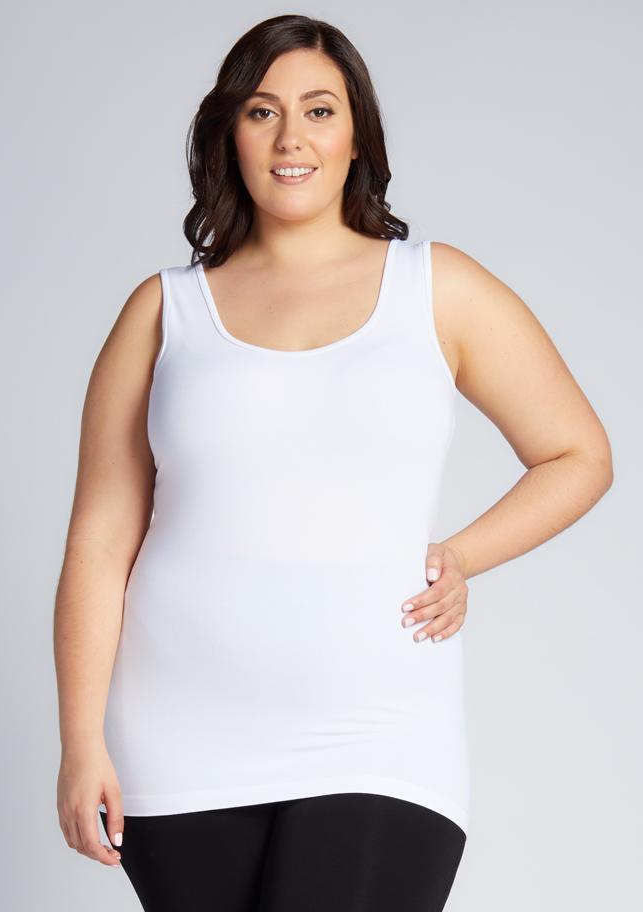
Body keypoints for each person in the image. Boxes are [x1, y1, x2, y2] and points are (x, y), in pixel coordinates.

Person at [53, 14, 613, 912]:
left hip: (378, 731)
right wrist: (81, 743)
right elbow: (98, 540)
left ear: (357, 138)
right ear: (228, 135)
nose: (291, 138)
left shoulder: (436, 286)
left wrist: (462, 554)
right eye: (261, 112)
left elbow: (576, 454)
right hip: (177, 740)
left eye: (319, 111)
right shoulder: (162, 312)